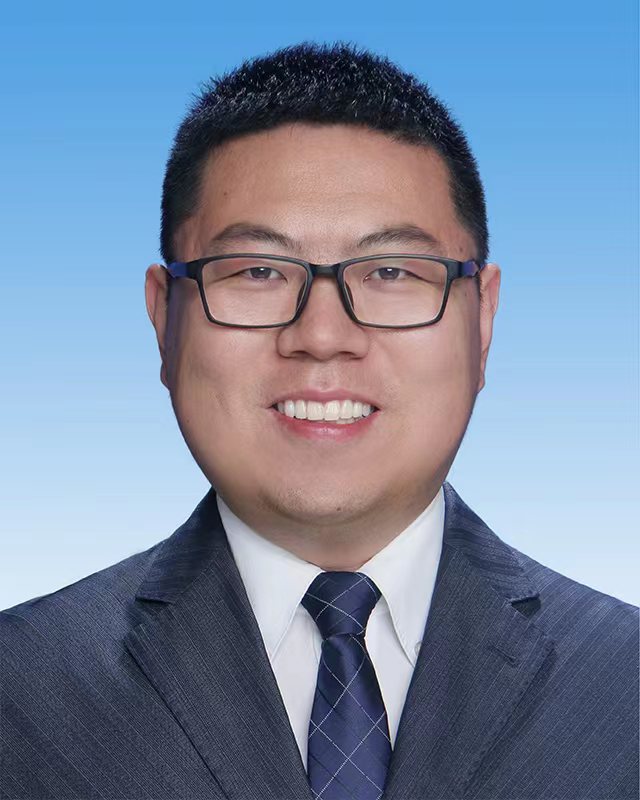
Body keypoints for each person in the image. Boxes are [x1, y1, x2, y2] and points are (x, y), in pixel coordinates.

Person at [1, 41, 637, 800]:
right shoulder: (21, 692)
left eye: (392, 271)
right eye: (259, 271)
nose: (324, 335)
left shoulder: (622, 686)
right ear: (164, 319)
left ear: (484, 319)